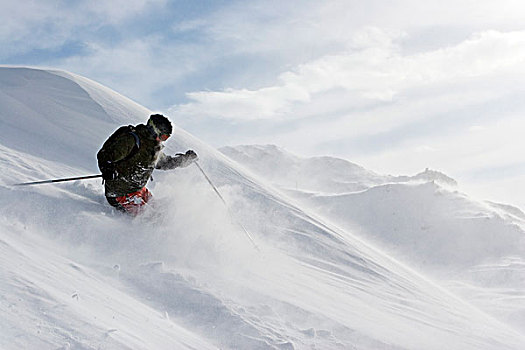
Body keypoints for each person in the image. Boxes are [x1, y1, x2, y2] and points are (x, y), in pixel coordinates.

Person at [97, 114, 197, 215]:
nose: (162, 140)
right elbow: (105, 157)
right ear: (154, 130)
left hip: (138, 189)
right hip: (120, 192)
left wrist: (185, 159)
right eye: (163, 136)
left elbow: (166, 163)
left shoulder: (153, 148)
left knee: (162, 211)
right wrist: (107, 169)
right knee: (151, 219)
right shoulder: (131, 140)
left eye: (166, 138)